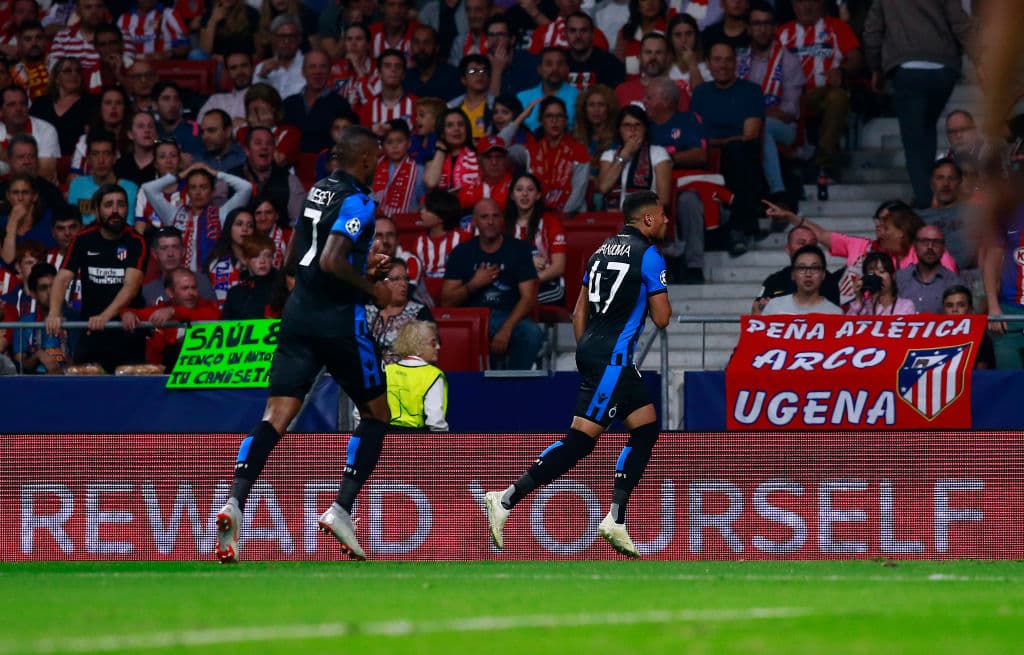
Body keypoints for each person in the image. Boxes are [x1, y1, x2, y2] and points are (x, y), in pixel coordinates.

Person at [215, 126, 392, 563]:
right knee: (377, 413)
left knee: (275, 415)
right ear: (366, 159)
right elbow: (331, 259)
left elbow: (298, 258)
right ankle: (341, 509)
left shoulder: (316, 191)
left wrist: (358, 263)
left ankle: (234, 501)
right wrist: (372, 287)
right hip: (338, 320)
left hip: (297, 315)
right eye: (377, 158)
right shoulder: (360, 202)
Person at [483, 190, 671, 558]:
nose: (666, 221)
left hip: (597, 353)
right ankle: (505, 499)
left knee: (646, 427)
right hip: (613, 360)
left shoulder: (599, 251)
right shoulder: (649, 256)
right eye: (662, 215)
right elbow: (662, 319)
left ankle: (616, 517)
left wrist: (587, 349)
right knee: (580, 442)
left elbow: (577, 310)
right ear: (647, 219)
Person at [863, 0, 974, 209]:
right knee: (926, 129)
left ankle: (926, 202)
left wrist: (875, 67)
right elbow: (959, 22)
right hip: (943, 68)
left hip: (906, 69)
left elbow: (872, 30)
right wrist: (981, 58)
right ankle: (931, 192)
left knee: (915, 142)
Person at [766, 198, 959, 306]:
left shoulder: (928, 257)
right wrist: (791, 217)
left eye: (885, 228)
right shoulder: (862, 247)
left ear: (901, 232)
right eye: (878, 225)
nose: (879, 231)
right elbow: (822, 235)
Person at [45, 184, 149, 373]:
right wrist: (54, 312)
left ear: (128, 209)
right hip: (91, 329)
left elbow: (130, 287)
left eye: (121, 204)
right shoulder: (83, 239)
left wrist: (105, 316)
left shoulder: (137, 241)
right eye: (108, 205)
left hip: (127, 330)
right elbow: (62, 279)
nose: (115, 210)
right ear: (96, 210)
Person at [441, 198, 543, 370]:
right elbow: (446, 301)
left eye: (495, 216)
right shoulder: (462, 252)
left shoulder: (519, 250)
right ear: (475, 221)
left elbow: (528, 297)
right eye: (484, 217)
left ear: (502, 219)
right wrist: (474, 284)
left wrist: (506, 329)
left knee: (532, 333)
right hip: (472, 318)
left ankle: (513, 388)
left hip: (509, 315)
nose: (490, 222)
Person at [690, 42, 765, 257]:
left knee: (737, 150)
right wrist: (724, 141)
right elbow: (697, 136)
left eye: (727, 60)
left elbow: (750, 134)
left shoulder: (751, 91)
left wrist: (718, 142)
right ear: (709, 64)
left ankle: (738, 227)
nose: (722, 65)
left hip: (741, 158)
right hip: (707, 158)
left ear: (736, 63)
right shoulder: (701, 93)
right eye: (717, 60)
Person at [777, 0, 862, 187]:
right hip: (789, 97)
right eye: (801, 2)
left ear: (823, 4)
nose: (807, 7)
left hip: (823, 93)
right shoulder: (781, 32)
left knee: (837, 98)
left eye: (813, 1)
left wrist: (842, 71)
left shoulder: (837, 26)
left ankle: (823, 164)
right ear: (793, 5)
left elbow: (856, 58)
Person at [739, 1, 805, 207]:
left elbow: (790, 112)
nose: (762, 29)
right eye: (756, 23)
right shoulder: (739, 60)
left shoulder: (789, 60)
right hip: (744, 125)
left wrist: (756, 116)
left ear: (775, 27)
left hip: (785, 129)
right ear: (749, 28)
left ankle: (778, 192)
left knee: (762, 128)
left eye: (767, 23)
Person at [141, 162, 253, 271]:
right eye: (193, 187)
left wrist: (215, 173)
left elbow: (246, 188)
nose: (198, 192)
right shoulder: (173, 215)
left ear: (213, 191)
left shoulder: (222, 214)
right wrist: (183, 174)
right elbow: (148, 188)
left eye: (203, 187)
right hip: (180, 279)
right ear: (187, 191)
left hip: (212, 279)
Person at [121, 266, 222, 370]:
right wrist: (127, 313)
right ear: (170, 292)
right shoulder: (163, 309)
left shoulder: (208, 307)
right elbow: (135, 313)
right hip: (164, 376)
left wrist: (174, 312)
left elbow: (212, 316)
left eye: (194, 287)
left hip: (202, 372)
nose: (191, 293)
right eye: (185, 288)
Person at [597, 105, 672, 213]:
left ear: (645, 129)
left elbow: (664, 200)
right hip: (613, 218)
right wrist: (624, 155)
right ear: (619, 130)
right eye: (627, 125)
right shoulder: (609, 155)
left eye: (637, 125)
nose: (633, 130)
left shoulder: (658, 152)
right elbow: (603, 187)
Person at [752, 223, 842, 313]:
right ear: (788, 249)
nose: (807, 247)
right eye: (801, 243)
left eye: (812, 243)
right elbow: (757, 311)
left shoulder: (829, 281)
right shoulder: (774, 281)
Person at [507, 173, 567, 305]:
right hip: (513, 286)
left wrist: (528, 281)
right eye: (519, 189)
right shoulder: (503, 225)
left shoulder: (551, 223)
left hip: (547, 285)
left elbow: (558, 267)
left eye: (530, 190)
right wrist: (527, 263)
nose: (524, 194)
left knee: (517, 302)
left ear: (538, 195)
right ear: (512, 195)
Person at [524, 96, 590, 213]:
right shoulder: (529, 151)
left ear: (565, 120)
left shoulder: (579, 150)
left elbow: (578, 193)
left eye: (559, 116)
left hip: (570, 218)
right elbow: (501, 144)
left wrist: (559, 218)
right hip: (537, 217)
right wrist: (523, 116)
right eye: (549, 116)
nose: (554, 121)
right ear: (541, 120)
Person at [282, 49, 352, 154]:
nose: (317, 72)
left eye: (323, 67)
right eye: (312, 66)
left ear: (329, 71)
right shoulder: (289, 104)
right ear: (303, 72)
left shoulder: (341, 105)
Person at [366, 257, 434, 363]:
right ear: (380, 283)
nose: (403, 284)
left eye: (406, 279)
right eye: (396, 279)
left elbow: (430, 351)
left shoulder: (419, 312)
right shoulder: (366, 311)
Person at [67, 130, 139, 226]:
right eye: (95, 154)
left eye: (107, 153)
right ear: (88, 159)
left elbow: (128, 226)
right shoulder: (77, 185)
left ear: (114, 157)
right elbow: (73, 224)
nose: (101, 160)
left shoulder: (129, 188)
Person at [385, 320, 448, 431]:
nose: (438, 347)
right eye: (433, 343)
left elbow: (360, 414)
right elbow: (435, 422)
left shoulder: (386, 371)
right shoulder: (433, 375)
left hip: (383, 440)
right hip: (416, 442)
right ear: (417, 345)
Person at [13, 262, 74, 373]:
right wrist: (37, 356)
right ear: (33, 294)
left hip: (71, 384)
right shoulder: (25, 322)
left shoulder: (74, 319)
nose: (50, 292)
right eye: (43, 288)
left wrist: (58, 372)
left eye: (53, 286)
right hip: (35, 384)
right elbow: (21, 365)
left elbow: (81, 360)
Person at [27, 57, 92, 157]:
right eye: (67, 71)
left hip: (77, 161)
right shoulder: (41, 104)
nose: (74, 74)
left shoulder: (90, 103)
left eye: (78, 71)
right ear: (56, 78)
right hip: (43, 160)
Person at [414, 189, 467, 303]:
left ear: (441, 217)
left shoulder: (463, 239)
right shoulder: (419, 242)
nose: (421, 212)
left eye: (427, 209)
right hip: (425, 300)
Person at [896, 224, 963, 314]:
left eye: (936, 242)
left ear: (943, 248)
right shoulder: (900, 278)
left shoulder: (953, 282)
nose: (930, 247)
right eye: (924, 241)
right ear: (915, 246)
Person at [142, 225, 217, 306]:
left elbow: (215, 315)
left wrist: (174, 312)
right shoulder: (147, 290)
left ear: (183, 252)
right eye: (164, 248)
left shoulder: (201, 282)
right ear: (154, 253)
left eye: (175, 247)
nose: (170, 254)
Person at [761, 243, 843, 315]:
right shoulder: (774, 307)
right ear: (793, 274)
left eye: (814, 268)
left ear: (823, 275)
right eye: (802, 268)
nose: (808, 274)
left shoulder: (835, 313)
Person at [516, 47, 579, 133]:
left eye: (560, 64)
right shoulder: (521, 98)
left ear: (567, 69)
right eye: (549, 64)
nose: (555, 69)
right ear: (539, 69)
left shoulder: (578, 97)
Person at [372, 119, 426, 216]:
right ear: (382, 145)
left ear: (409, 143)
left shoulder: (419, 170)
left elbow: (423, 200)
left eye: (399, 141)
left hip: (407, 222)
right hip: (378, 223)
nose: (395, 146)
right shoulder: (374, 166)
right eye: (389, 142)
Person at [205, 207, 255, 304]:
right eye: (239, 224)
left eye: (250, 226)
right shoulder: (214, 262)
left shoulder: (260, 260)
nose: (245, 229)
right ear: (229, 228)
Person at [222, 233, 278, 320]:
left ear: (272, 258)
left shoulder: (282, 289)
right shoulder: (235, 294)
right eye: (256, 256)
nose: (262, 261)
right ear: (245, 259)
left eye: (267, 255)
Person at [846, 251, 916, 316]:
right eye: (872, 273)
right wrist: (858, 298)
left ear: (893, 275)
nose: (877, 276)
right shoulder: (862, 307)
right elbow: (846, 327)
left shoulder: (905, 305)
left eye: (882, 271)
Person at [253, 15, 306, 100]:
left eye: (291, 36)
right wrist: (262, 77)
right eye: (282, 37)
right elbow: (255, 99)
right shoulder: (261, 68)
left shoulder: (310, 65)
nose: (286, 41)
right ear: (273, 39)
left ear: (299, 39)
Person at [942, 284, 995, 369]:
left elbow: (981, 374)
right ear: (943, 309)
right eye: (949, 305)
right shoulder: (932, 336)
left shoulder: (981, 337)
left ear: (970, 309)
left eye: (961, 305)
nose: (955, 310)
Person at [199, 51, 254, 126]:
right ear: (228, 72)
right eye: (233, 68)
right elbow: (201, 123)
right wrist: (232, 124)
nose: (240, 71)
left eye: (244, 66)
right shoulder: (216, 99)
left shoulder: (262, 96)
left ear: (252, 68)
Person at [115, 110, 158, 186]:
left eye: (150, 126)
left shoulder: (163, 164)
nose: (147, 130)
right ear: (130, 134)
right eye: (141, 126)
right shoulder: (121, 165)